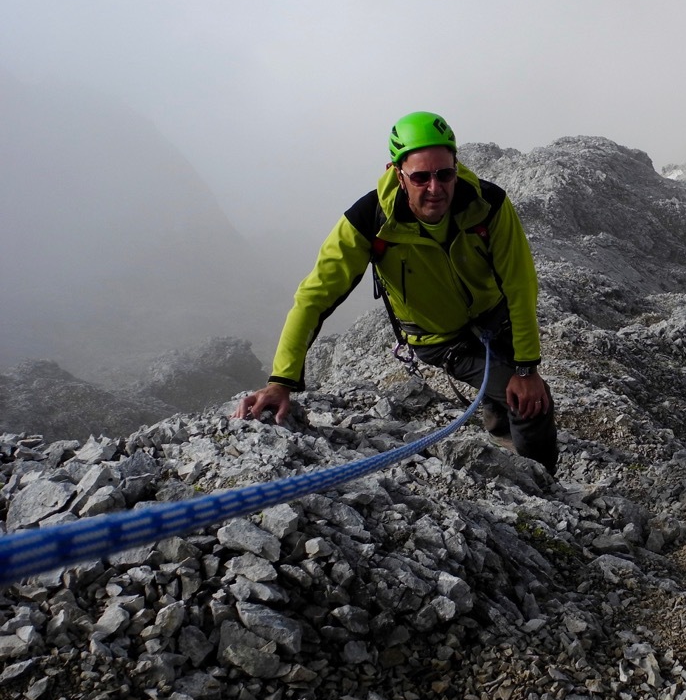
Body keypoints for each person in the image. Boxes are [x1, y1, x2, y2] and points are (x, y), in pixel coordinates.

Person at [235, 111, 558, 475]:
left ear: (456, 166)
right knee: (531, 406)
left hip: (495, 316)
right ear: (397, 173)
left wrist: (527, 368)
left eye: (445, 174)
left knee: (524, 392)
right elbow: (314, 298)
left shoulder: (487, 204)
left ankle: (511, 444)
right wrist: (281, 380)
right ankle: (542, 485)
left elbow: (520, 283)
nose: (435, 188)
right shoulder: (368, 221)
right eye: (420, 177)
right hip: (439, 338)